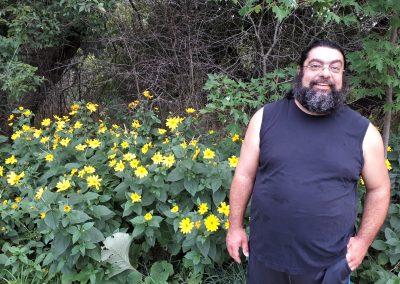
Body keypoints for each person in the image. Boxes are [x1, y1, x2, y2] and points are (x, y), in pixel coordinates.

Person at [226, 40, 391, 284]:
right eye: (316, 65)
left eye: (335, 68)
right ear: (300, 71)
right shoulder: (265, 118)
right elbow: (244, 175)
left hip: (329, 266)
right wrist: (235, 227)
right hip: (265, 258)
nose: (326, 73)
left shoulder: (364, 132)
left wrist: (363, 242)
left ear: (342, 77)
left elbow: (379, 189)